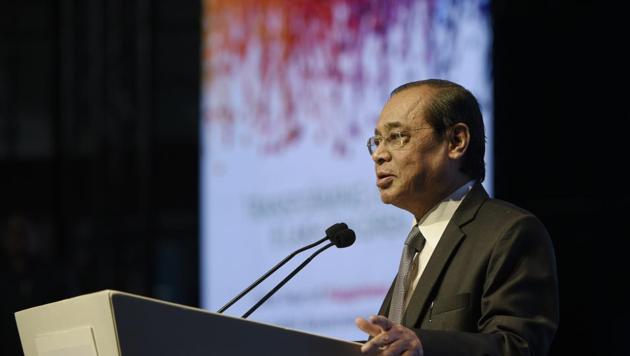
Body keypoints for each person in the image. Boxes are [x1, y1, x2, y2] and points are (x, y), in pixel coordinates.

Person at [354, 79, 559, 356]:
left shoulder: (509, 233)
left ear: (456, 142)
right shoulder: (418, 244)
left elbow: (519, 346)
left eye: (397, 136)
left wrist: (424, 345)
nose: (378, 155)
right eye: (377, 141)